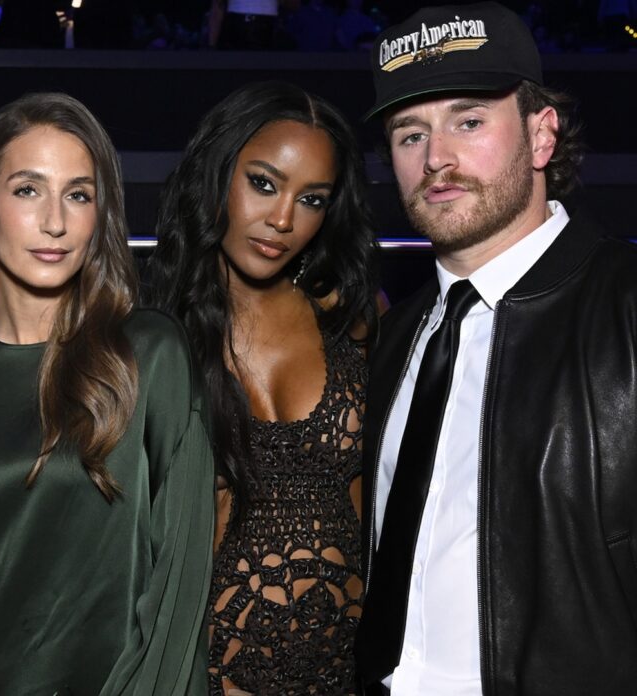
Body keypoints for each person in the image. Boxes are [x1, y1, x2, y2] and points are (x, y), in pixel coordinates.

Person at [356, 2, 637, 695]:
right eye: (410, 134)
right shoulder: (394, 339)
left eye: (469, 121)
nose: (437, 159)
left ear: (541, 137)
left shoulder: (624, 309)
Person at [0, 92, 214, 694]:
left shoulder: (148, 355)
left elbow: (179, 590)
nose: (55, 222)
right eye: (28, 190)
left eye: (79, 195)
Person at [148, 80, 380, 695]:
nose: (283, 220)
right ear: (216, 173)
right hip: (208, 672)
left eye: (312, 199)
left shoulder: (350, 320)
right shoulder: (156, 339)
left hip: (346, 670)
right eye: (264, 183)